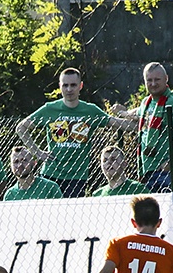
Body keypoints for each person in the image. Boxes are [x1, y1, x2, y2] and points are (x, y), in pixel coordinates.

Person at [16, 67, 134, 198]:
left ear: (80, 86)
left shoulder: (90, 111)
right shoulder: (50, 109)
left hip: (77, 177)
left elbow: (121, 124)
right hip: (51, 174)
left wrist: (132, 115)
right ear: (60, 86)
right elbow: (21, 128)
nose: (69, 89)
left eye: (73, 85)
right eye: (65, 85)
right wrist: (37, 152)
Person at [110, 63, 173, 193]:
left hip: (171, 169)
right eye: (149, 80)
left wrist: (171, 162)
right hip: (149, 169)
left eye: (157, 80)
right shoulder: (146, 103)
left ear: (166, 78)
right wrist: (121, 113)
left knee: (169, 210)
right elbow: (136, 115)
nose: (153, 84)